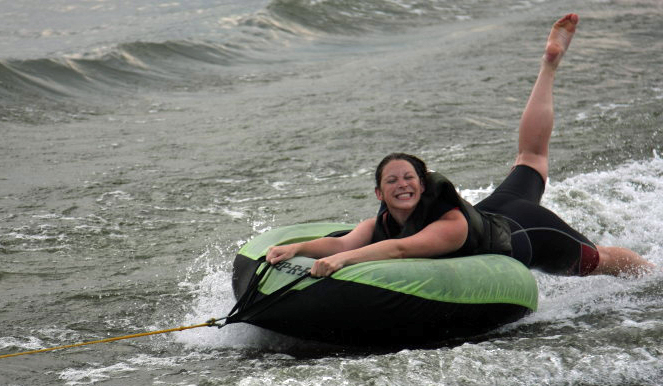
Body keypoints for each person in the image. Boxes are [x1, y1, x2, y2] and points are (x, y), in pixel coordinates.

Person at [266, 14, 654, 278]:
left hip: (529, 233)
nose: (402, 185)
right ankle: (549, 64)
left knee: (596, 260)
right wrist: (296, 247)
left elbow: (399, 252)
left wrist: (342, 260)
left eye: (409, 178)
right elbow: (345, 240)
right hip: (495, 211)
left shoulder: (449, 225)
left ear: (423, 184)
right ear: (378, 192)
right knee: (530, 158)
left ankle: (650, 275)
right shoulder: (378, 223)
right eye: (392, 181)